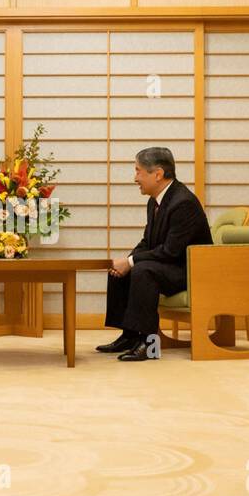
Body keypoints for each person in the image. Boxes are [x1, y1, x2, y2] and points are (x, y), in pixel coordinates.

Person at [98, 147, 212, 362]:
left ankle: (149, 344)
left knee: (142, 270)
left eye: (138, 171)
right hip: (169, 265)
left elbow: (170, 251)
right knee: (122, 269)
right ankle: (129, 336)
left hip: (188, 270)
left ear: (157, 174)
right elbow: (147, 242)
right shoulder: (155, 201)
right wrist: (125, 262)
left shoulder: (183, 202)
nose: (135, 178)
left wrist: (131, 262)